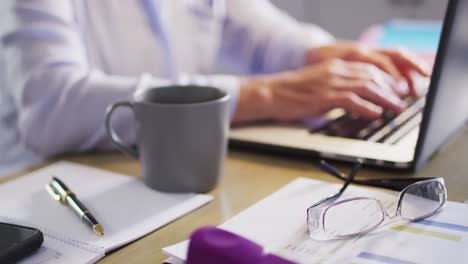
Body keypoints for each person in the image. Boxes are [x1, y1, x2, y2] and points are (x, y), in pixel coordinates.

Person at [0, 0, 430, 176]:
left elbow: (262, 34)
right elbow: (52, 108)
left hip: (166, 169)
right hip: (48, 188)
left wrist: (333, 58)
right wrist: (266, 94)